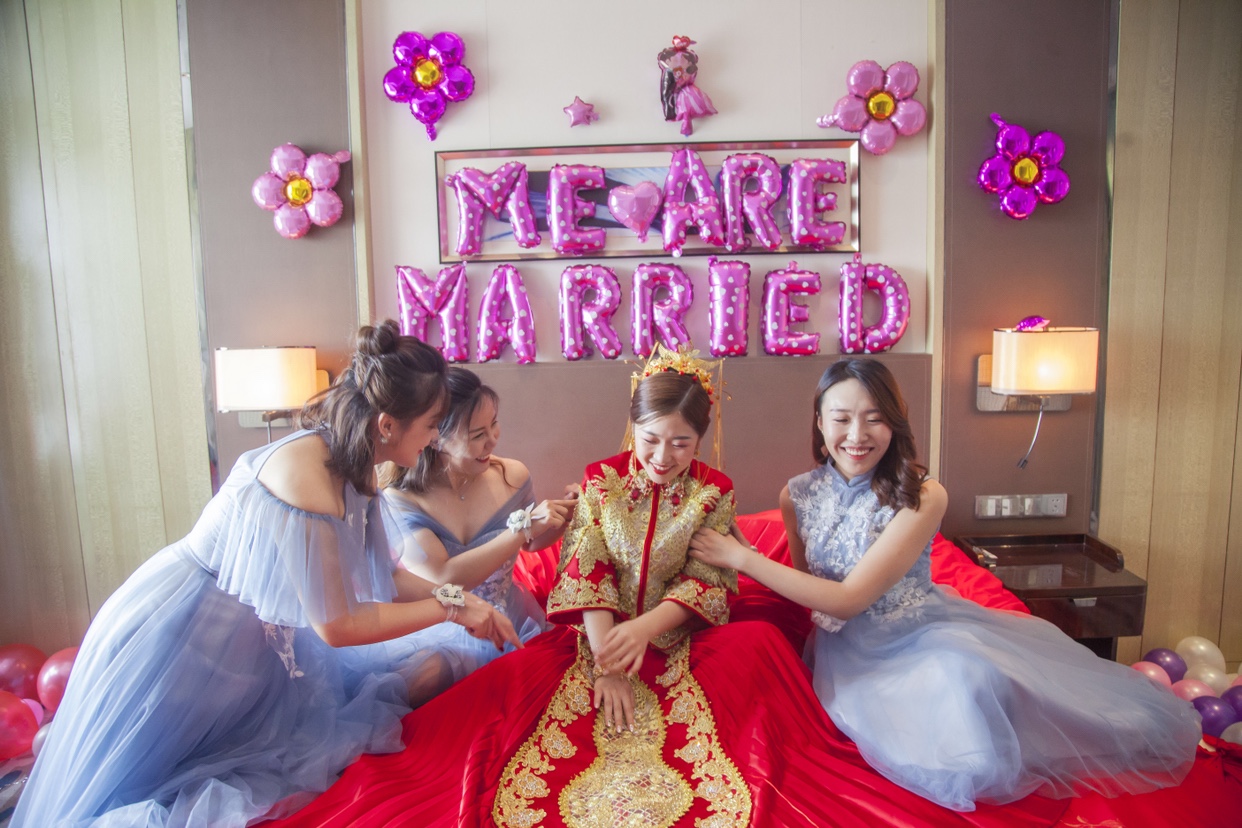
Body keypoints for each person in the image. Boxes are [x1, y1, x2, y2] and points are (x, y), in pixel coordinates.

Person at [271, 348, 1076, 828]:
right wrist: (608, 655)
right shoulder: (598, 483)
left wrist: (649, 628)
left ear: (702, 441)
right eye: (652, 441)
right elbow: (583, 566)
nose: (664, 460)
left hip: (681, 637)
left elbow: (709, 579)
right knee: (501, 715)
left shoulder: (715, 494)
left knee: (757, 652)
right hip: (594, 642)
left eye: (683, 444)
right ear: (634, 432)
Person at [12, 321, 521, 828]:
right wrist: (452, 608)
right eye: (432, 424)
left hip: (244, 639)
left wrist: (459, 599)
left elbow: (384, 580)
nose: (434, 438)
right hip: (184, 634)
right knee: (138, 785)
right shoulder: (307, 479)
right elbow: (338, 626)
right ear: (388, 425)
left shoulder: (356, 463)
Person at [688, 358, 1202, 812]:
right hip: (848, 655)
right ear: (820, 423)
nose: (856, 435)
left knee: (969, 676)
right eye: (841, 418)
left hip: (916, 636)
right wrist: (746, 558)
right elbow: (806, 585)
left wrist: (743, 558)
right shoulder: (796, 495)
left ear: (895, 422)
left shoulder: (923, 494)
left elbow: (848, 599)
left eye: (874, 418)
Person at [359, 367, 575, 706]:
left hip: (512, 616)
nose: (493, 440)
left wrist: (562, 519)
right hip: (443, 618)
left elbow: (532, 544)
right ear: (436, 437)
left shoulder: (512, 476)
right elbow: (444, 578)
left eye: (494, 425)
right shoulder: (402, 499)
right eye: (477, 434)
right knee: (418, 681)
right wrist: (522, 528)